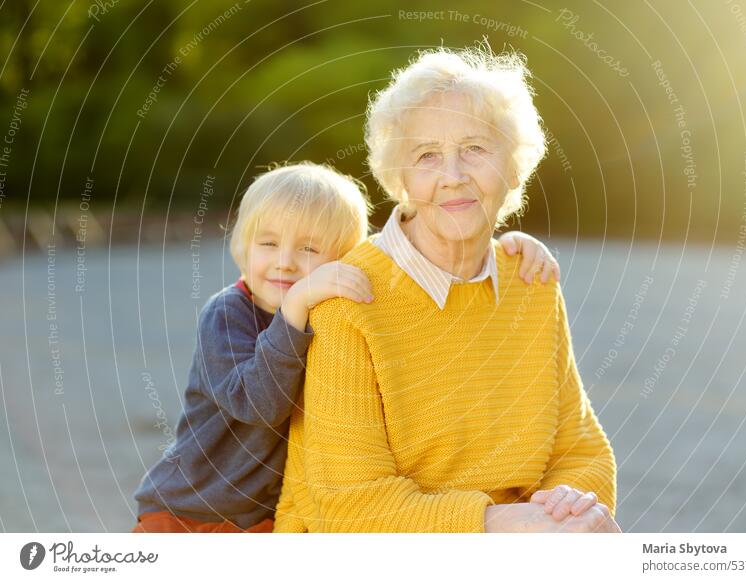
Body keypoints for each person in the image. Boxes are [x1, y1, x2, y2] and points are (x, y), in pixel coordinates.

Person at [274, 47, 620, 533]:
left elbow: (583, 451)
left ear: (515, 167)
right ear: (400, 178)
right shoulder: (347, 300)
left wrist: (567, 507)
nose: (453, 176)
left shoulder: (531, 283)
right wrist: (503, 525)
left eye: (476, 149)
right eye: (427, 156)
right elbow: (350, 508)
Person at [131, 162, 560, 532]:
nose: (284, 261)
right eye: (268, 243)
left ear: (342, 260)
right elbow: (256, 406)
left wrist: (505, 249)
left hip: (264, 517)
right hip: (190, 509)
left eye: (309, 249)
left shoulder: (331, 311)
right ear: (242, 246)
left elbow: (407, 262)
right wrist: (295, 305)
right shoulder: (227, 315)